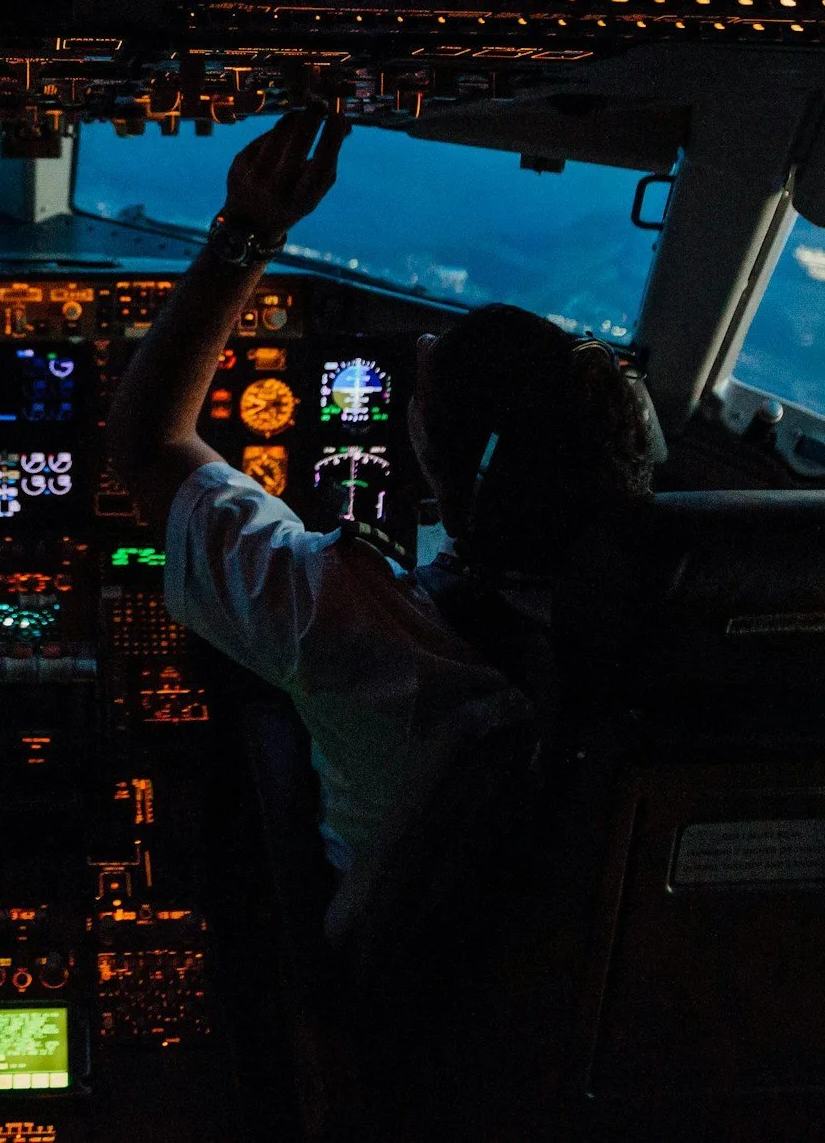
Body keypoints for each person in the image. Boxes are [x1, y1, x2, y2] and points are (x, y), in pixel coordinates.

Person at [105, 110, 661, 904]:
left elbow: (149, 445)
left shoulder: (350, 616)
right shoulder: (683, 641)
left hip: (371, 979)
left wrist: (250, 229)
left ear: (445, 488)